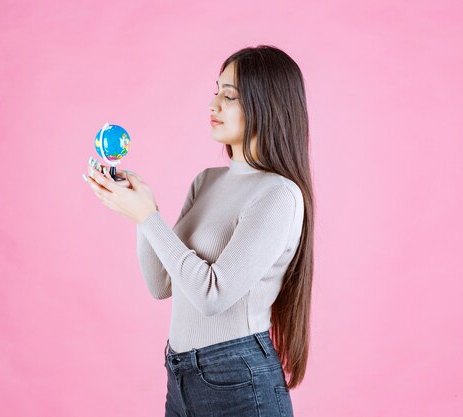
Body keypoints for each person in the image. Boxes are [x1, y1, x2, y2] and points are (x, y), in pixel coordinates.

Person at [83, 44, 315, 417]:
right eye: (215, 92)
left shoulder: (279, 195)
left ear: (267, 106)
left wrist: (148, 219)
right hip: (180, 374)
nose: (213, 105)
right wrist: (144, 209)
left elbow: (212, 295)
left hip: (237, 378)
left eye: (230, 96)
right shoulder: (206, 181)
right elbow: (160, 284)